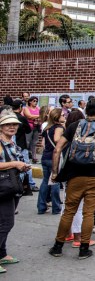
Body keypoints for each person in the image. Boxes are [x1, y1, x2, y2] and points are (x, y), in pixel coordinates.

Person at [49, 99, 95, 259]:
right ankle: (83, 248)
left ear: (86, 110)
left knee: (69, 211)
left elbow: (58, 149)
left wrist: (55, 173)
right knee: (89, 213)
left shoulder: (74, 127)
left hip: (74, 176)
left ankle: (58, 246)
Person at [0, 113, 31, 274]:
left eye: (14, 124)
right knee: (6, 222)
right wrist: (16, 164)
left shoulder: (11, 142)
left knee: (4, 221)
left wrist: (22, 166)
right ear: (1, 127)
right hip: (3, 187)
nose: (12, 127)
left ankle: (2, 253)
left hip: (12, 186)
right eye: (7, 124)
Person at [37, 109, 65, 215]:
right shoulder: (59, 127)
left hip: (45, 157)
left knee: (45, 182)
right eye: (62, 115)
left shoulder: (47, 128)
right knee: (55, 182)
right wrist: (65, 143)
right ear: (57, 117)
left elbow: (44, 144)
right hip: (54, 157)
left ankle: (41, 206)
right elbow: (57, 139)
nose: (64, 116)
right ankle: (56, 207)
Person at [11, 100, 37, 191]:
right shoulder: (21, 118)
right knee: (26, 165)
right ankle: (30, 184)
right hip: (21, 145)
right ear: (21, 107)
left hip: (10, 146)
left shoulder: (9, 117)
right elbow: (28, 131)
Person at [22, 96, 40, 163]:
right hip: (29, 127)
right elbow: (29, 116)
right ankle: (24, 156)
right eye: (34, 101)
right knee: (27, 142)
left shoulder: (38, 108)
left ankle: (34, 157)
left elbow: (43, 116)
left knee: (34, 142)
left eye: (36, 101)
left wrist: (36, 117)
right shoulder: (26, 108)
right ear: (30, 101)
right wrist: (38, 116)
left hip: (36, 126)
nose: (35, 102)